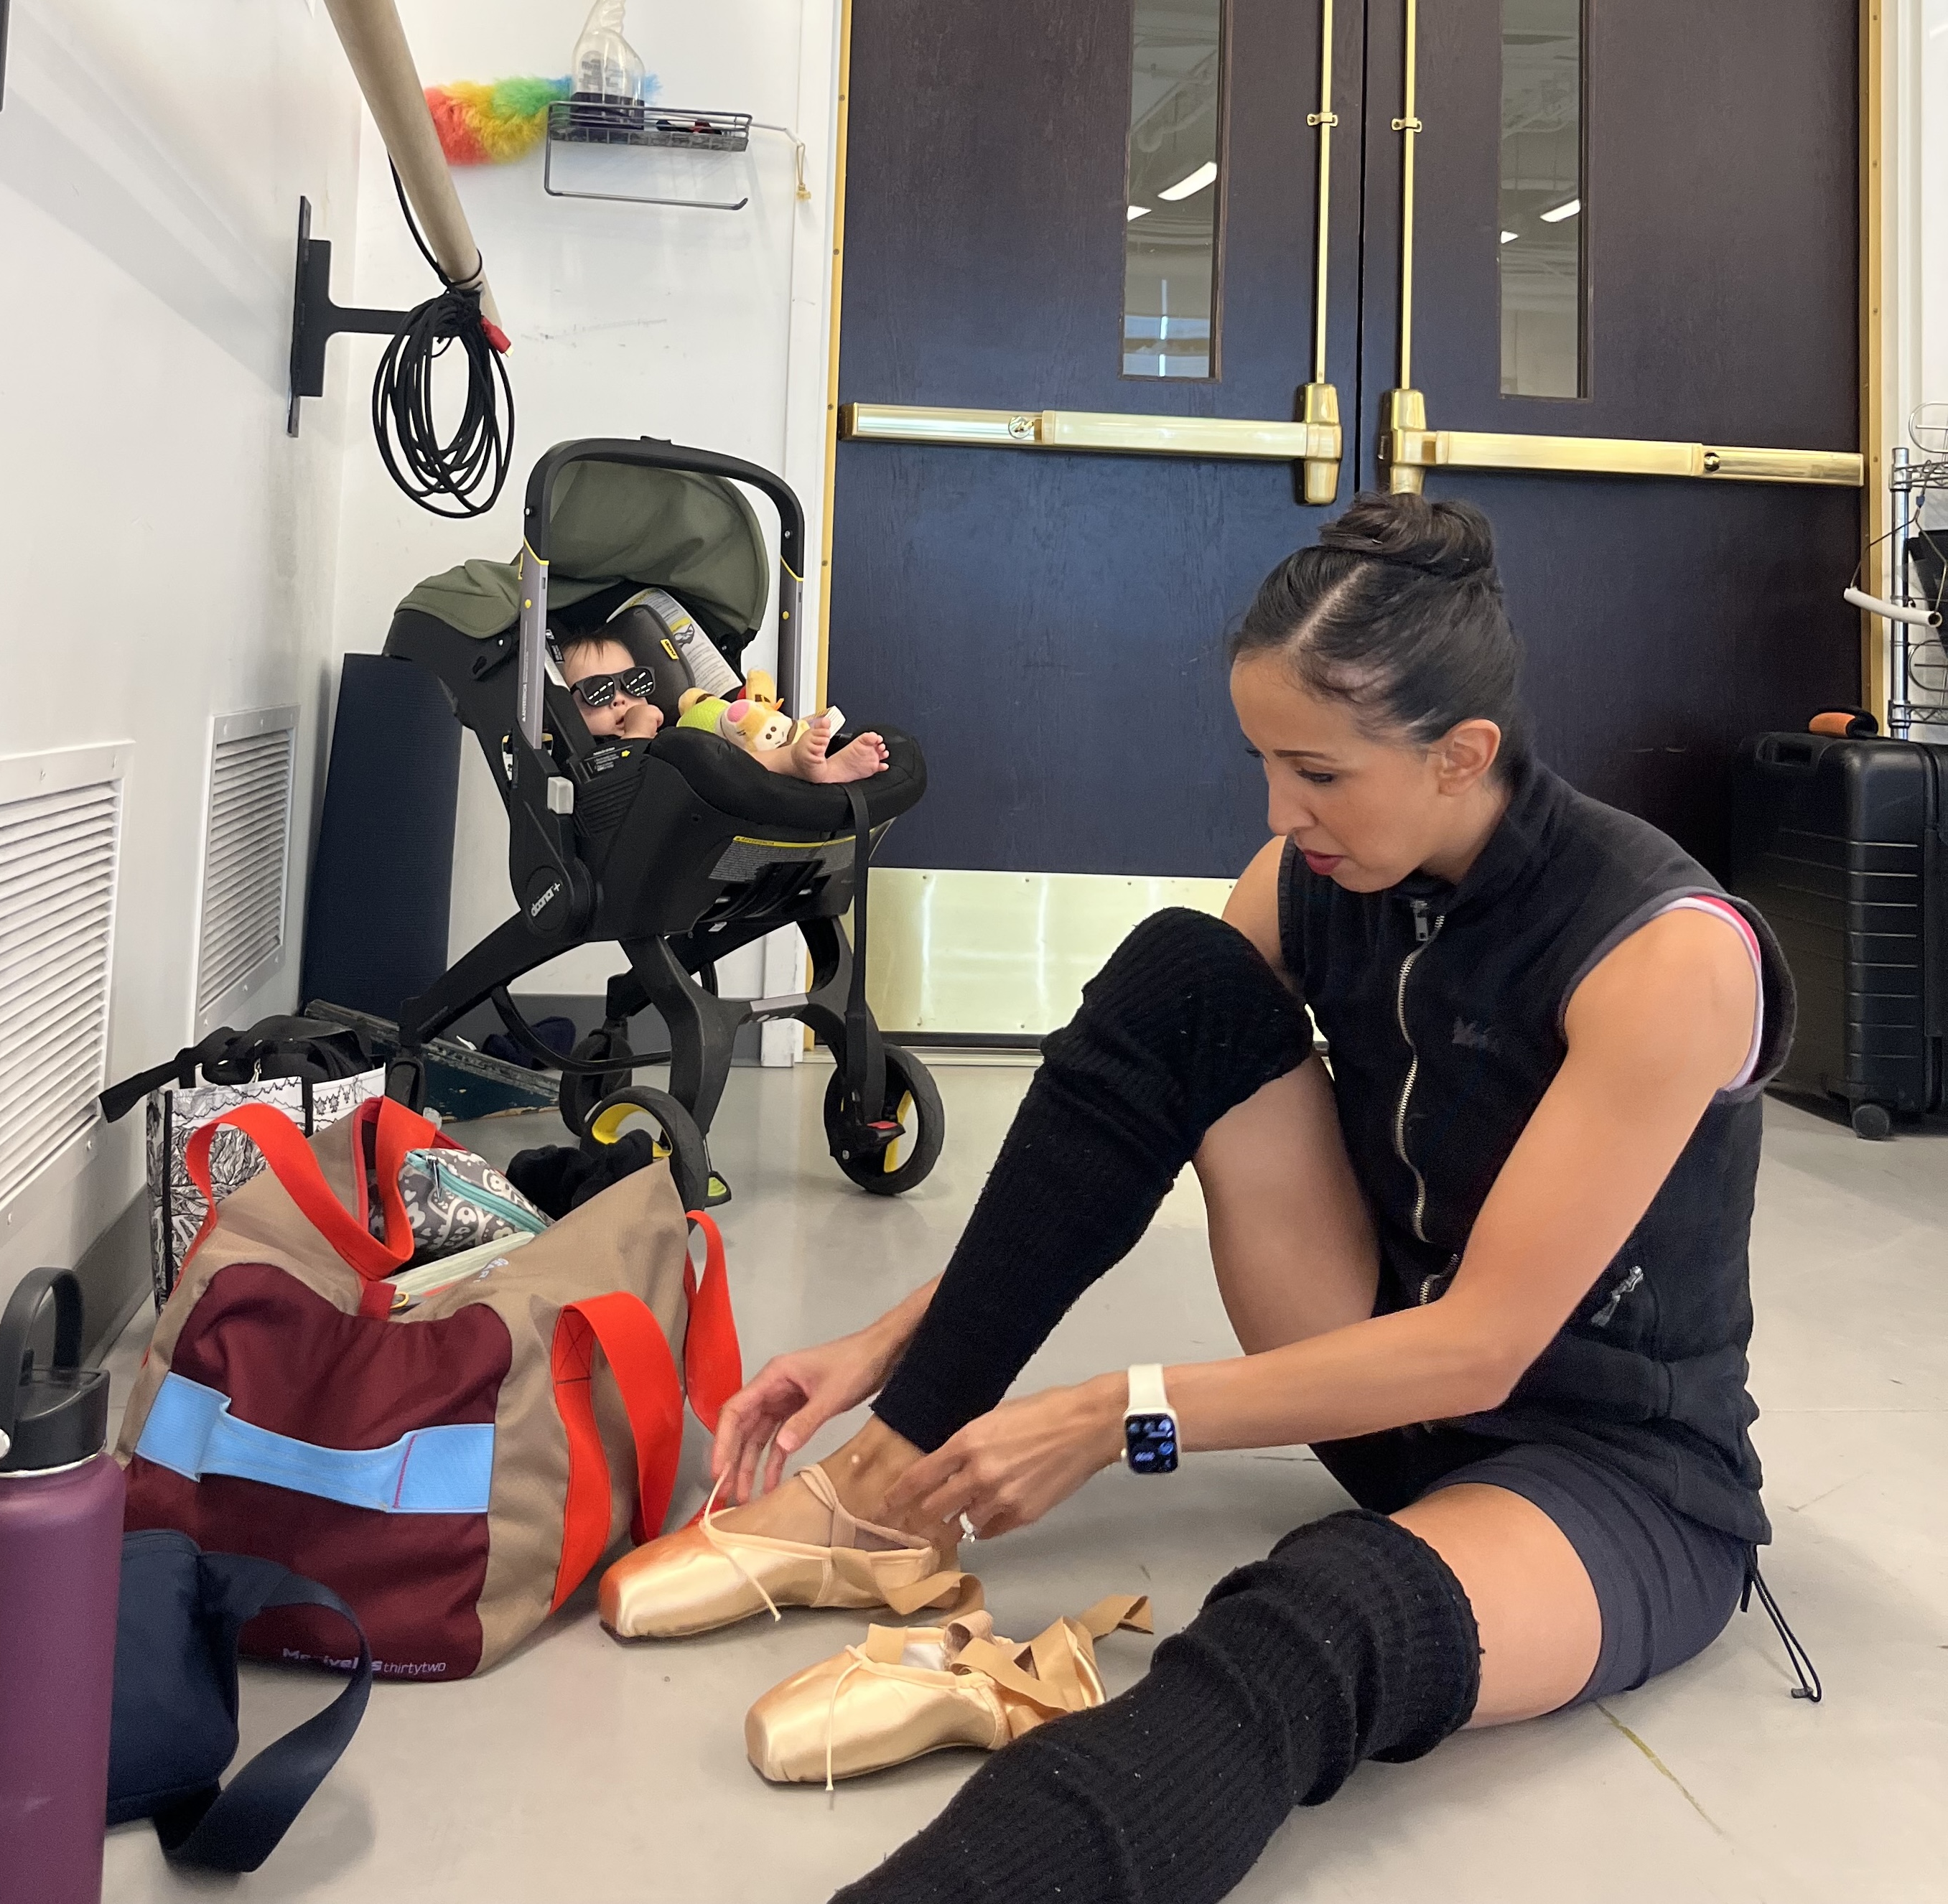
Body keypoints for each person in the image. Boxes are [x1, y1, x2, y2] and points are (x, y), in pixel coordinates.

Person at [599, 491, 1796, 1903]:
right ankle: (881, 1490)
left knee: (1311, 1618)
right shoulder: (1316, 874)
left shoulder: (1659, 952)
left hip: (1607, 1482)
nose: (1281, 816)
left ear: (1459, 752)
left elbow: (1486, 1346)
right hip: (1379, 1395)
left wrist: (1121, 1413)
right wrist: (889, 1352)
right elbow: (1110, 1129)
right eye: (1261, 766)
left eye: (1318, 774)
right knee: (1181, 976)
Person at [559, 632, 889, 783]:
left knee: (728, 741)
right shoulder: (589, 759)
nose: (621, 699)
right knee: (708, 759)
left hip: (717, 789)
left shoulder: (669, 726)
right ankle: (797, 761)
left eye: (633, 683)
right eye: (598, 691)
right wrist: (636, 734)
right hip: (663, 811)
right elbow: (625, 785)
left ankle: (806, 749)